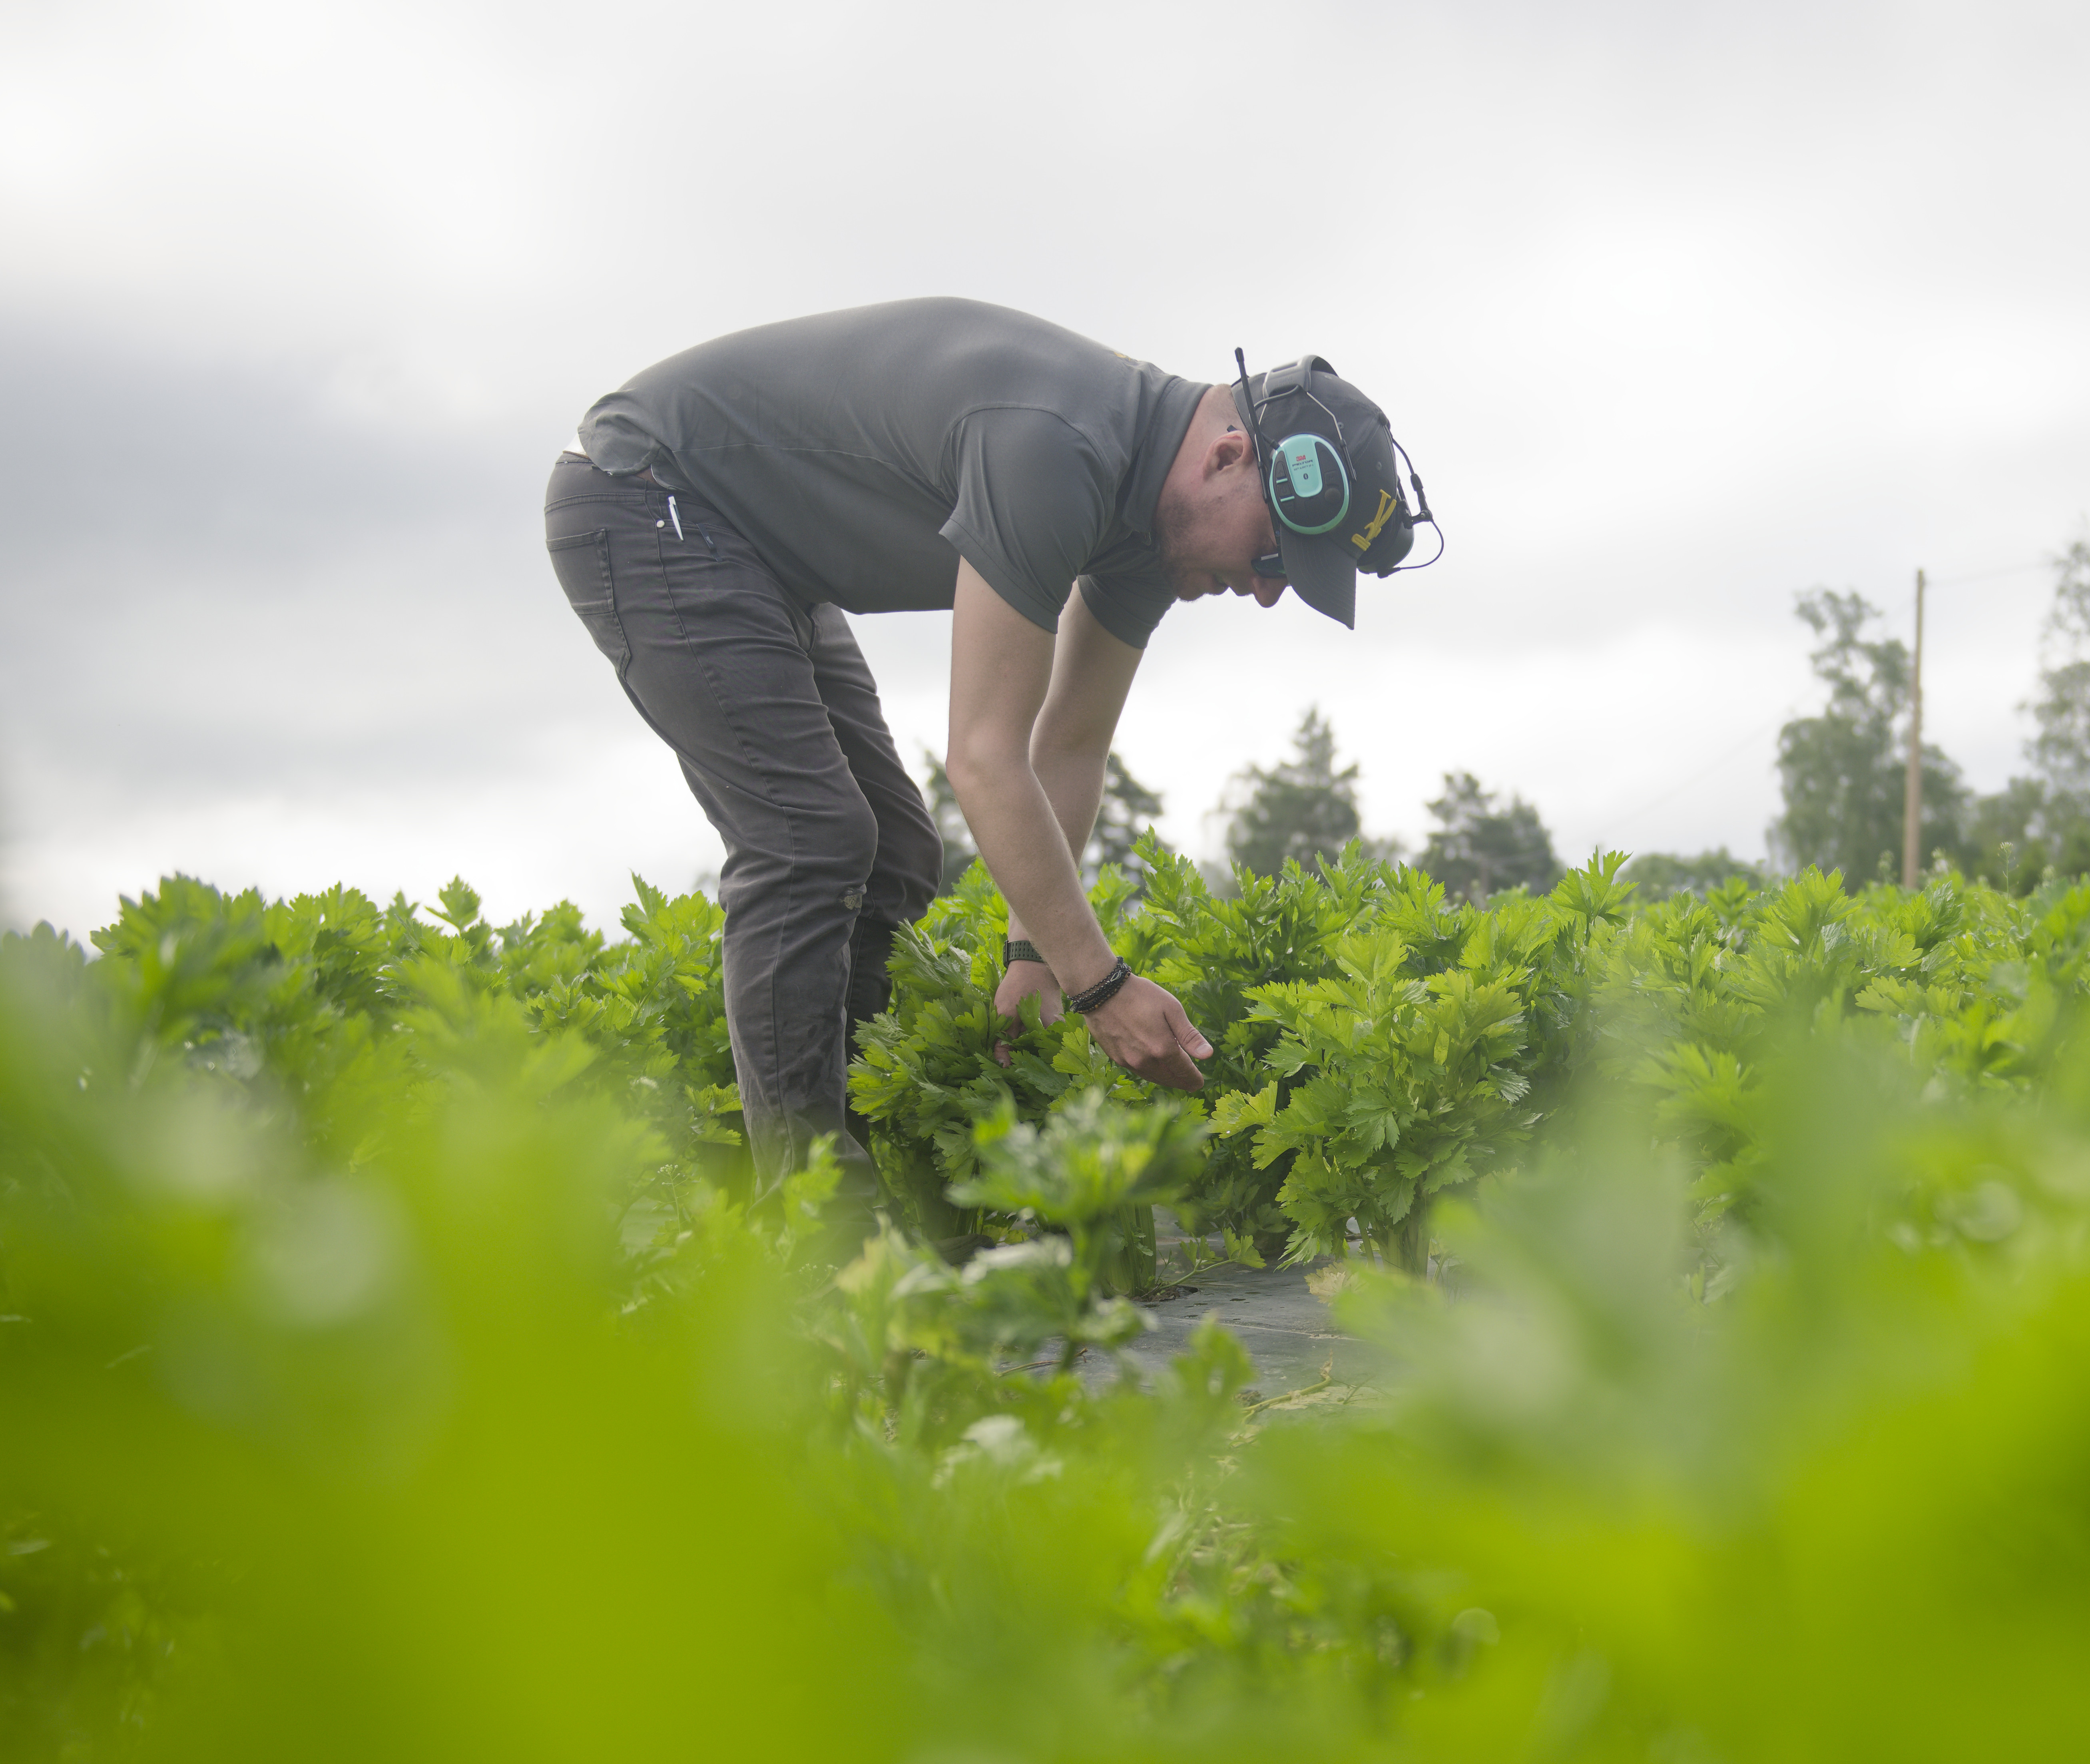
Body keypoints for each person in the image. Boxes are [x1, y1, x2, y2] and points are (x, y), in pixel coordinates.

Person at [539, 298, 1429, 1221]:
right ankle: (811, 1227)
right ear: (1229, 458)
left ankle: (852, 1167)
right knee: (810, 838)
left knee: (894, 851)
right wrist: (1102, 985)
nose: (1267, 591)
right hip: (650, 495)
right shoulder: (1058, 449)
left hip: (757, 552)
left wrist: (1035, 956)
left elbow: (1070, 746)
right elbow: (986, 756)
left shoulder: (1142, 528)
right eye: (1274, 554)